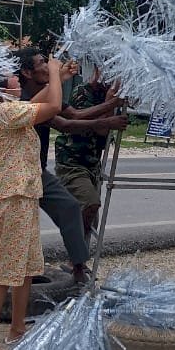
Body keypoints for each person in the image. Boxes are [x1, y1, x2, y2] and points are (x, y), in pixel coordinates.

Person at [0, 59, 63, 350]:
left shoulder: (10, 111)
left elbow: (37, 102)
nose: (16, 78)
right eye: (12, 77)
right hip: (10, 197)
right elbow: (52, 108)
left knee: (25, 269)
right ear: (1, 89)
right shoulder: (3, 112)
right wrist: (53, 73)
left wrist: (57, 77)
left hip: (23, 195)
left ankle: (17, 330)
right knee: (4, 271)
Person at [18, 48, 125, 284]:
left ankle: (77, 267)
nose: (47, 66)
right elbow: (68, 123)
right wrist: (108, 115)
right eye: (41, 63)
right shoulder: (23, 101)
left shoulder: (47, 93)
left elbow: (74, 116)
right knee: (20, 230)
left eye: (47, 61)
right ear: (27, 72)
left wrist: (110, 106)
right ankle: (9, 277)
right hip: (18, 175)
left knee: (69, 208)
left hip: (37, 170)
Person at [54, 67, 127, 237]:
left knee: (91, 217)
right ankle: (76, 252)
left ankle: (78, 259)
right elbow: (92, 125)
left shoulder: (106, 93)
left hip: (92, 162)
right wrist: (110, 102)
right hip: (73, 161)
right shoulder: (82, 92)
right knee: (89, 204)